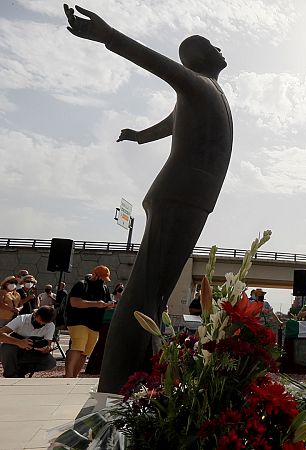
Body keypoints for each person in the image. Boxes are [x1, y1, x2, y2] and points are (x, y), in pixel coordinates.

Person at [64, 5, 235, 393]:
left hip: (190, 195)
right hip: (180, 193)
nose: (220, 48)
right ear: (196, 57)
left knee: (154, 293)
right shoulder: (196, 82)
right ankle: (112, 390)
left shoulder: (206, 92)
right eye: (210, 44)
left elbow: (167, 124)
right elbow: (156, 63)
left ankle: (136, 382)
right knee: (144, 291)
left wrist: (140, 135)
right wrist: (109, 36)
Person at [65, 266, 114, 378]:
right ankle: (68, 375)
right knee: (78, 347)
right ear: (95, 274)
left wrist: (109, 305)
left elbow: (104, 304)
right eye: (101, 277)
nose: (102, 280)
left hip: (95, 324)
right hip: (78, 321)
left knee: (85, 352)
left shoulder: (104, 288)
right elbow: (74, 302)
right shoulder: (81, 285)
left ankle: (74, 375)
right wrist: (96, 303)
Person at [0, 306, 57, 377]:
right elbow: (1, 335)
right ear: (35, 314)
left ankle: (20, 371)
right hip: (16, 350)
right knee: (6, 347)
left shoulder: (50, 326)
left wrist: (44, 349)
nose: (41, 324)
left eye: (44, 323)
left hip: (32, 353)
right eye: (39, 321)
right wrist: (19, 342)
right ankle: (11, 375)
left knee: (50, 362)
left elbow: (48, 345)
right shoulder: (21, 319)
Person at [85, 282, 123, 375]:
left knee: (112, 345)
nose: (120, 292)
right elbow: (104, 307)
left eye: (122, 289)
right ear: (115, 290)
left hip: (115, 324)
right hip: (106, 323)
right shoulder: (110, 298)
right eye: (119, 289)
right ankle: (94, 367)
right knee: (102, 343)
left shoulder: (123, 301)